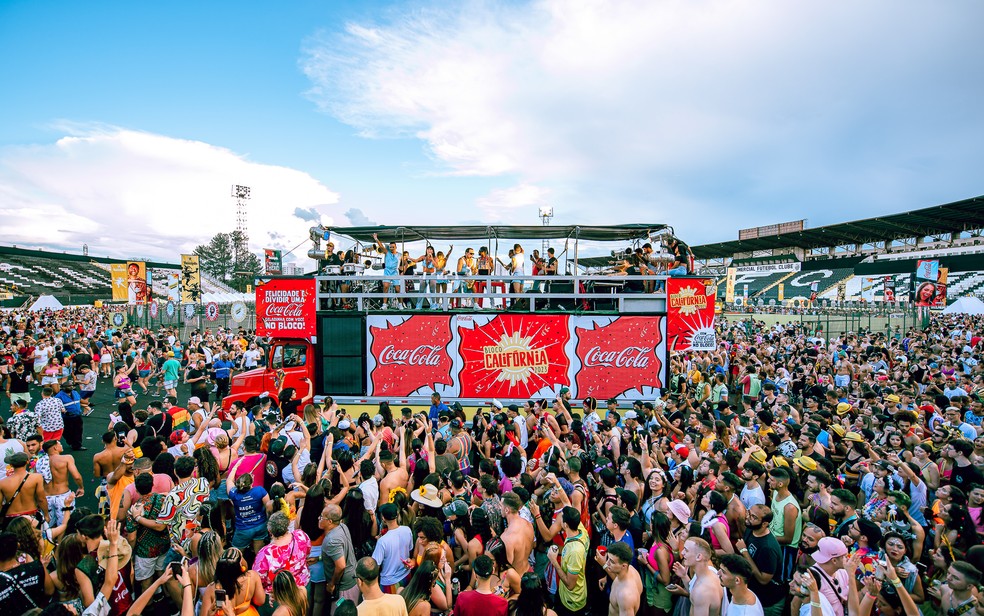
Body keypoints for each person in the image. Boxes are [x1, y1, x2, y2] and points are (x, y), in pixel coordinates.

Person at [321, 503, 360, 612]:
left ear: (330, 521)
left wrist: (332, 583)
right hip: (351, 580)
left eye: (322, 517)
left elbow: (341, 566)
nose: (319, 519)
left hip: (344, 588)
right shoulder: (342, 526)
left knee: (341, 612)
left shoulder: (332, 540)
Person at [604, 541, 642, 616]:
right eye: (608, 558)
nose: (606, 563)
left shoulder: (625, 596)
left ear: (623, 566)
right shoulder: (631, 569)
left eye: (611, 561)